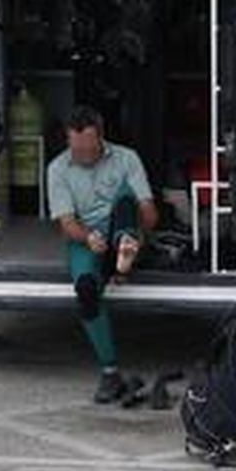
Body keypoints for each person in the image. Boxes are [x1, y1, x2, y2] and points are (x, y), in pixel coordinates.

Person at [46, 105, 159, 403]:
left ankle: (126, 250)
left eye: (88, 144)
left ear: (101, 138)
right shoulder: (57, 168)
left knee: (125, 199)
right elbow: (67, 223)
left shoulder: (126, 158)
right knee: (85, 289)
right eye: (76, 145)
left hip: (124, 223)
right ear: (68, 140)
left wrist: (143, 226)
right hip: (86, 235)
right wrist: (88, 238)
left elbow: (148, 211)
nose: (82, 151)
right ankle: (110, 370)